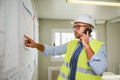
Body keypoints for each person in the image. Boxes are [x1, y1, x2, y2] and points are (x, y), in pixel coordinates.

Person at [24, 14, 107, 80]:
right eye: (74, 26)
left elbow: (99, 69)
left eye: (78, 26)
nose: (74, 29)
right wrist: (36, 45)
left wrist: (87, 46)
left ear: (88, 28)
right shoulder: (72, 44)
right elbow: (53, 50)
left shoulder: (100, 46)